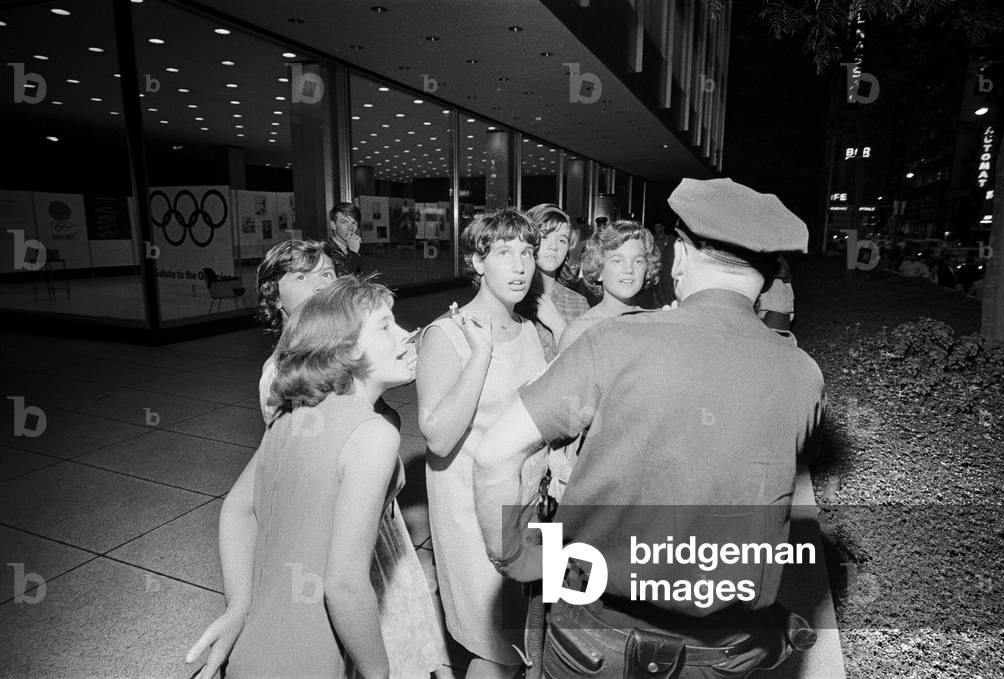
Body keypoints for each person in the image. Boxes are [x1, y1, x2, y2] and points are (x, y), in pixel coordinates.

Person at [473, 178, 826, 679]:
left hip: (595, 639)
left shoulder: (614, 343)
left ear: (679, 258)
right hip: (727, 654)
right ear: (768, 279)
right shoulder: (804, 375)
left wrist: (514, 558)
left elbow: (493, 457)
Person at [186, 276, 443, 679]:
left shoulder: (295, 414)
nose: (406, 334)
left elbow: (237, 509)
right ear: (343, 350)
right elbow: (343, 585)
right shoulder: (373, 434)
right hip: (310, 655)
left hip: (255, 646)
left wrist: (238, 606)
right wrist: (378, 672)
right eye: (384, 326)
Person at [416, 208, 548, 679]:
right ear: (477, 262)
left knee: (524, 639)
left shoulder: (533, 330)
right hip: (472, 513)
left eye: (527, 253)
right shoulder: (445, 334)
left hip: (531, 503)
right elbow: (437, 436)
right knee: (495, 646)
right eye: (503, 253)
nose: (519, 266)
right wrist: (481, 355)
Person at [255, 239, 400, 430]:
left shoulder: (336, 352)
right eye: (301, 277)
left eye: (326, 274)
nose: (321, 286)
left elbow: (388, 420)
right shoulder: (279, 376)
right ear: (274, 297)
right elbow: (319, 450)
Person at [557, 219, 660, 353]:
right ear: (598, 270)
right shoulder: (579, 332)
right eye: (617, 261)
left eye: (638, 261)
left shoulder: (654, 322)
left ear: (647, 269)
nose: (629, 269)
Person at [516, 203, 591, 361]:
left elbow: (583, 366)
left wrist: (558, 326)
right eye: (545, 237)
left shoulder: (578, 304)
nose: (554, 247)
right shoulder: (512, 298)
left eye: (562, 240)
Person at [756, 254, 796, 336]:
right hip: (784, 326)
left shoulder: (768, 285)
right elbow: (792, 315)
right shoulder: (788, 285)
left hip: (768, 326)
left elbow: (762, 308)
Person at [328, 202, 364, 275]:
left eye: (354, 223)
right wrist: (353, 254)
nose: (350, 228)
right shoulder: (326, 251)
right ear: (333, 225)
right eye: (344, 222)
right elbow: (344, 282)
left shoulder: (352, 247)